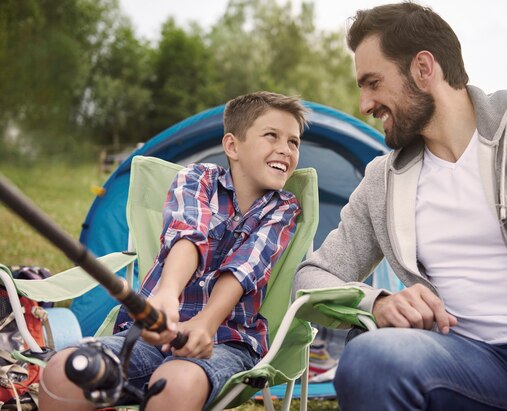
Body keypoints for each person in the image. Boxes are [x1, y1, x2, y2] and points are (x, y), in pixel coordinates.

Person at [293, 3, 507, 410]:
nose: (364, 104)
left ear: (423, 68)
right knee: (370, 358)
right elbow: (309, 279)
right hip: (469, 365)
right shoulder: (383, 182)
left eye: (373, 83)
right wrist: (376, 303)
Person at [40, 91, 309, 411]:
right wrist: (167, 295)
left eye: (293, 142)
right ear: (232, 146)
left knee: (175, 382)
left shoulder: (283, 207)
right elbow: (187, 236)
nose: (285, 149)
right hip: (150, 336)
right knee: (64, 370)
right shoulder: (197, 179)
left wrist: (206, 324)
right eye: (271, 136)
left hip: (225, 343)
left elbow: (245, 267)